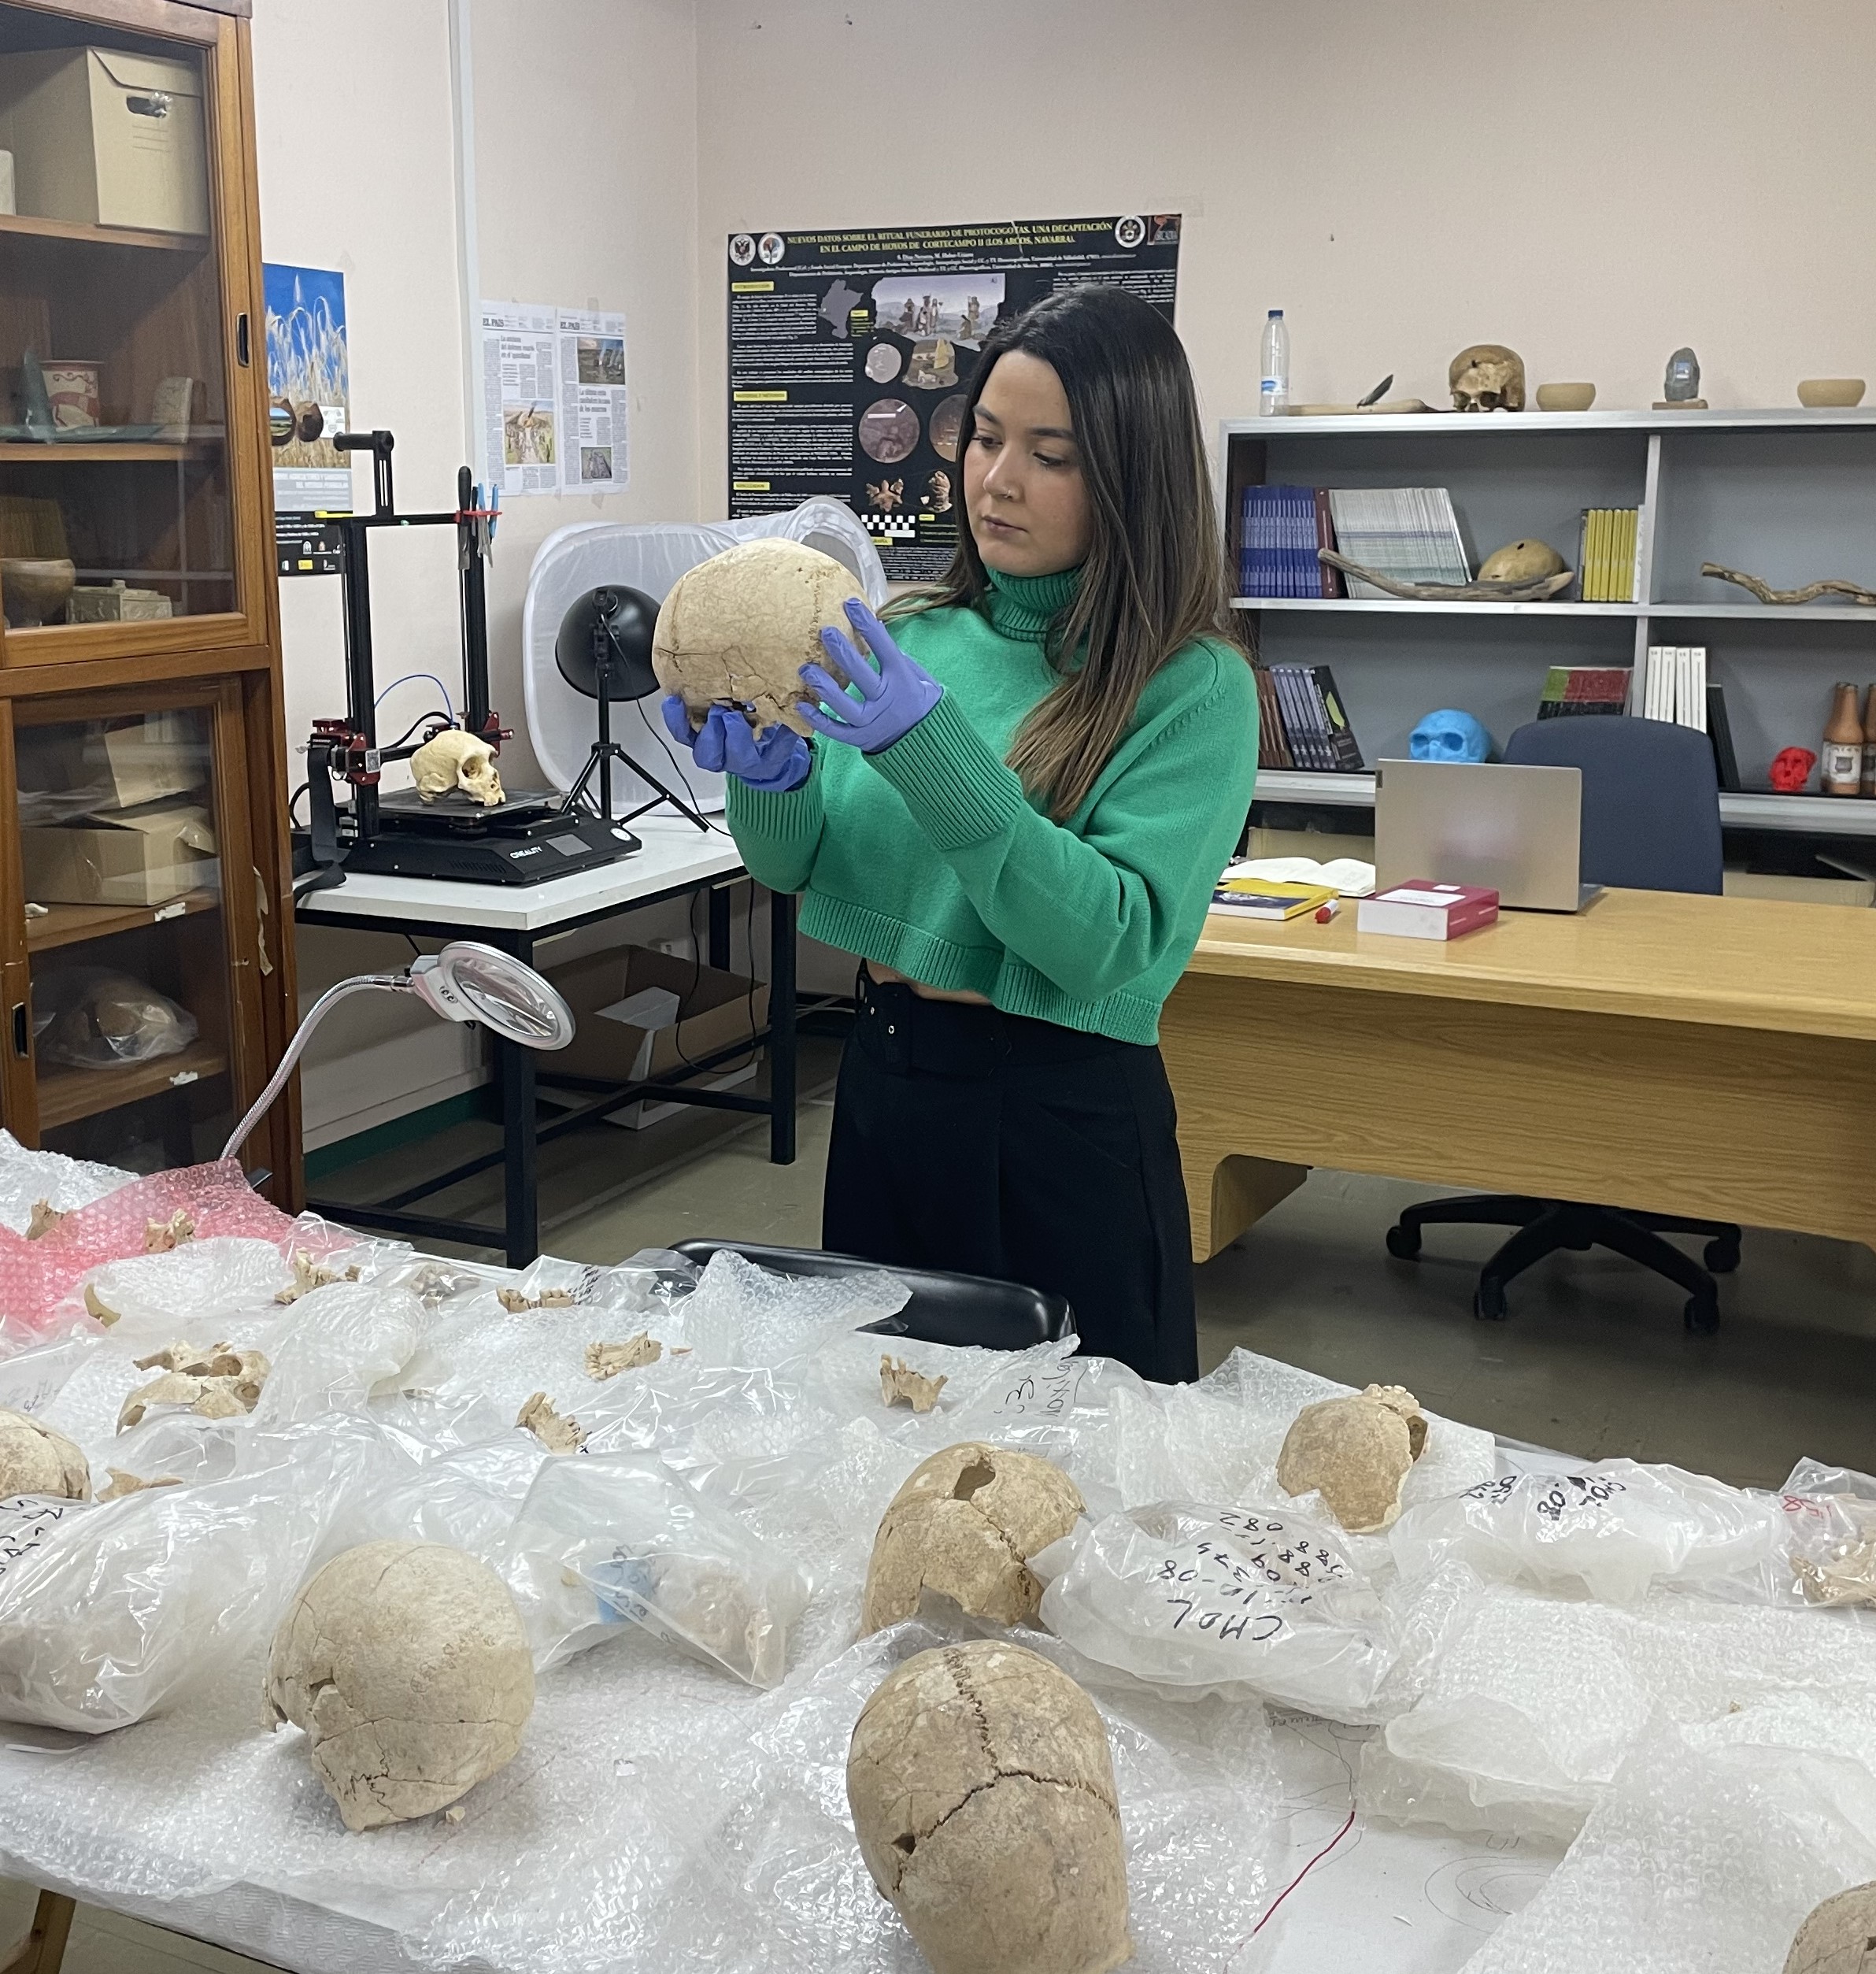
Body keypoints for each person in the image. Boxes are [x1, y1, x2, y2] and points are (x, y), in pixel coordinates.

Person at [661, 284, 1258, 1381]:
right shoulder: (909, 633)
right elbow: (794, 867)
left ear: (1134, 475)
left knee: (1075, 1452)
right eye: (984, 438)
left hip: (1058, 1113)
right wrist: (771, 780)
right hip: (887, 1082)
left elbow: (1105, 944)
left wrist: (930, 750)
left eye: (1051, 454)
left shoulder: (1192, 684)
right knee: (880, 1421)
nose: (997, 479)